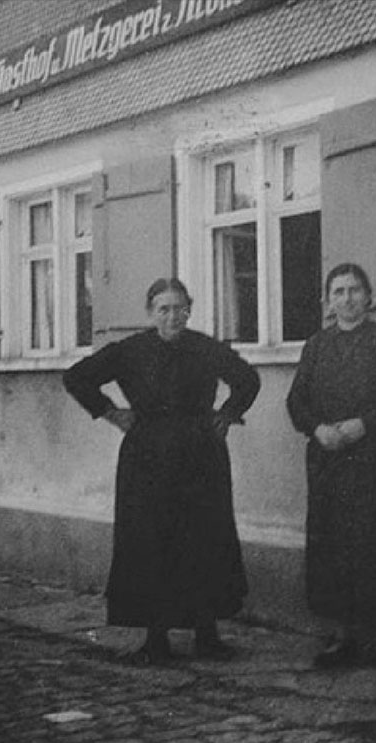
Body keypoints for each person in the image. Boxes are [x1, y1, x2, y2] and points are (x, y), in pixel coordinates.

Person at [63, 277, 260, 664]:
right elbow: (77, 377)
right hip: (148, 457)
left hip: (200, 455)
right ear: (151, 313)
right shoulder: (130, 351)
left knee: (204, 541)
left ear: (190, 309)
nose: (173, 316)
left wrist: (227, 415)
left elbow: (247, 380)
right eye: (164, 309)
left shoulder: (206, 348)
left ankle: (208, 635)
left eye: (180, 308)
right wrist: (110, 412)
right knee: (152, 542)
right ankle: (156, 639)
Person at [286, 263, 376, 669]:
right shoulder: (317, 346)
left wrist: (364, 424)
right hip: (329, 463)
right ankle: (342, 636)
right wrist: (316, 429)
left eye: (354, 290)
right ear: (328, 301)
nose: (347, 299)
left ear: (369, 297)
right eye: (338, 292)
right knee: (334, 547)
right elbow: (296, 402)